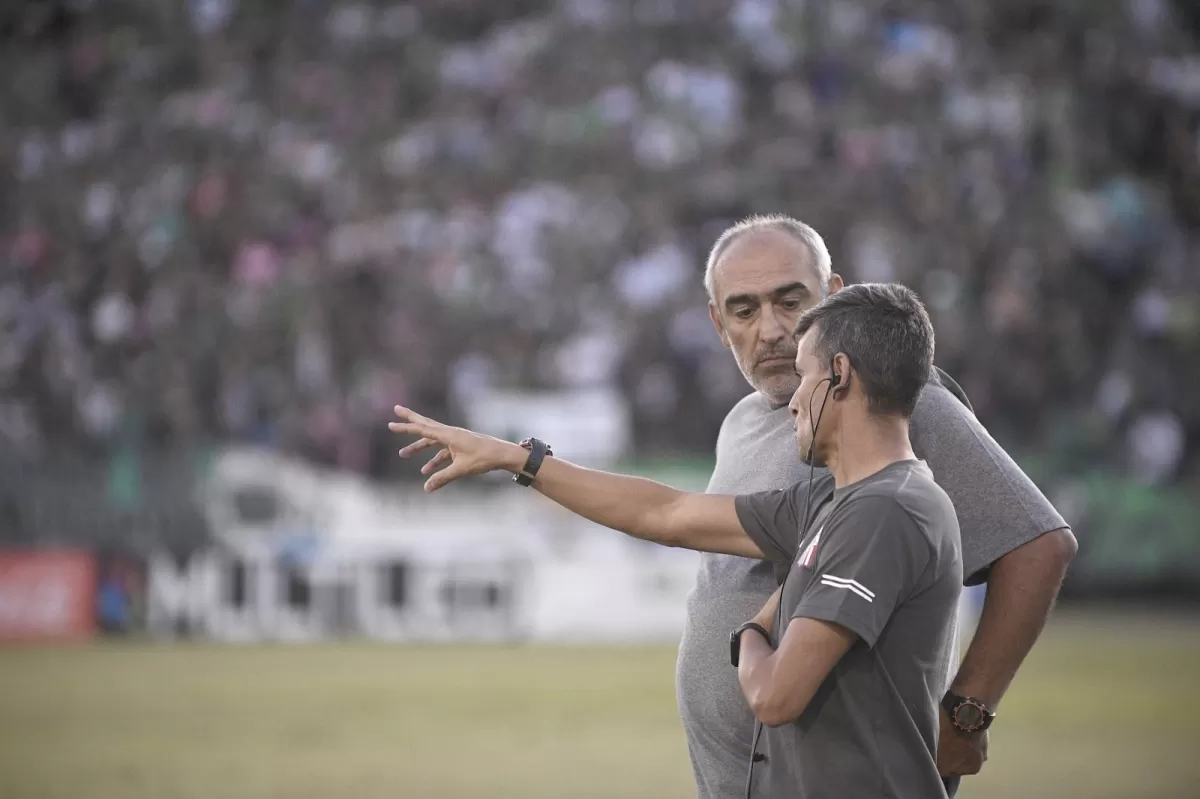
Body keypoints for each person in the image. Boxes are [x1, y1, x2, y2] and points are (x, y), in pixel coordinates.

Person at [389, 282, 963, 797]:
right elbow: (668, 512)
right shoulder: (837, 500)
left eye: (807, 376)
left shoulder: (885, 510)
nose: (792, 399)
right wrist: (517, 458)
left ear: (839, 375)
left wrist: (753, 632)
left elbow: (774, 696)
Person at [683, 216, 1076, 798]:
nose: (770, 330)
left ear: (833, 296)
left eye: (790, 301)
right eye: (743, 310)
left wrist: (968, 711)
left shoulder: (901, 405)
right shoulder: (741, 422)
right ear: (718, 321)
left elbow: (1041, 544)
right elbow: (666, 516)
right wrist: (527, 463)